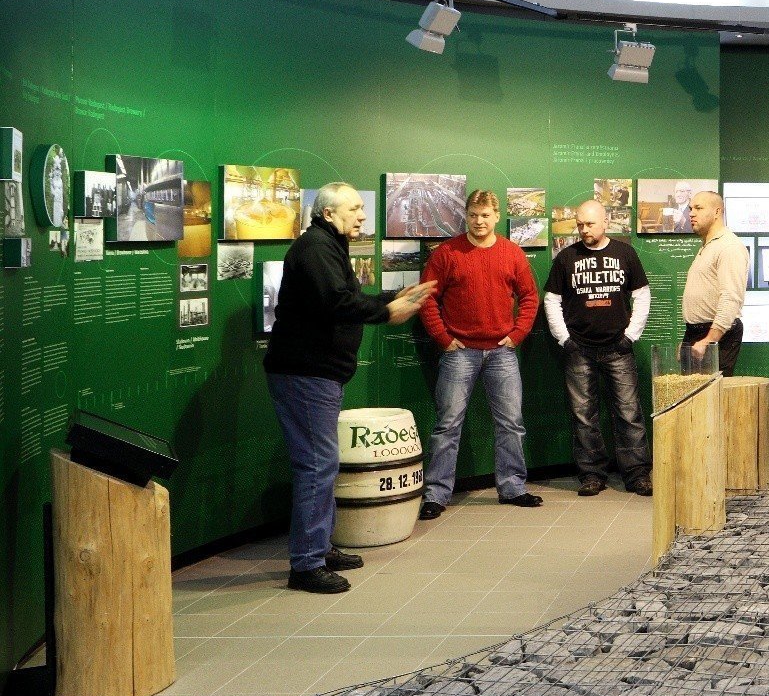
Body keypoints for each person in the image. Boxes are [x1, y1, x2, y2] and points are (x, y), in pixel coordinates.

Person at [265, 182, 434, 594]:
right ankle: (306, 564)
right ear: (328, 214)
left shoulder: (328, 246)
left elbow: (348, 298)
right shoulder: (315, 250)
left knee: (323, 464)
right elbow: (338, 304)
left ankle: (319, 548)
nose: (362, 216)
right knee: (317, 466)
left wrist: (393, 298)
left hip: (317, 375)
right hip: (306, 375)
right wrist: (387, 309)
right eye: (355, 209)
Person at [415, 190, 541, 519]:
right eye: (473, 215)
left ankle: (513, 486)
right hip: (460, 352)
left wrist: (518, 334)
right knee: (447, 425)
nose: (479, 221)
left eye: (485, 215)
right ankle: (437, 494)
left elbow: (530, 296)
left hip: (501, 351)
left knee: (511, 424)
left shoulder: (512, 253)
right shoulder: (446, 253)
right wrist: (442, 337)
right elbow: (427, 298)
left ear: (496, 216)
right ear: (466, 216)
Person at [544, 199, 653, 497]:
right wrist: (564, 339)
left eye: (590, 224)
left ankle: (637, 474)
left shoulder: (624, 253)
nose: (584, 230)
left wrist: (631, 335)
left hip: (619, 347)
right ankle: (592, 475)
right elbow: (552, 300)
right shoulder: (566, 258)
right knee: (583, 414)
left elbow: (642, 296)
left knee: (629, 412)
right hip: (579, 348)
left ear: (605, 222)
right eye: (580, 224)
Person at [681, 190, 748, 375]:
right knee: (692, 400)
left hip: (715, 335)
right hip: (697, 332)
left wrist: (709, 340)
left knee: (710, 398)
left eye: (698, 208)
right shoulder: (708, 245)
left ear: (717, 212)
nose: (691, 213)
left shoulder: (729, 246)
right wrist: (690, 337)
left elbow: (731, 297)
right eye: (690, 208)